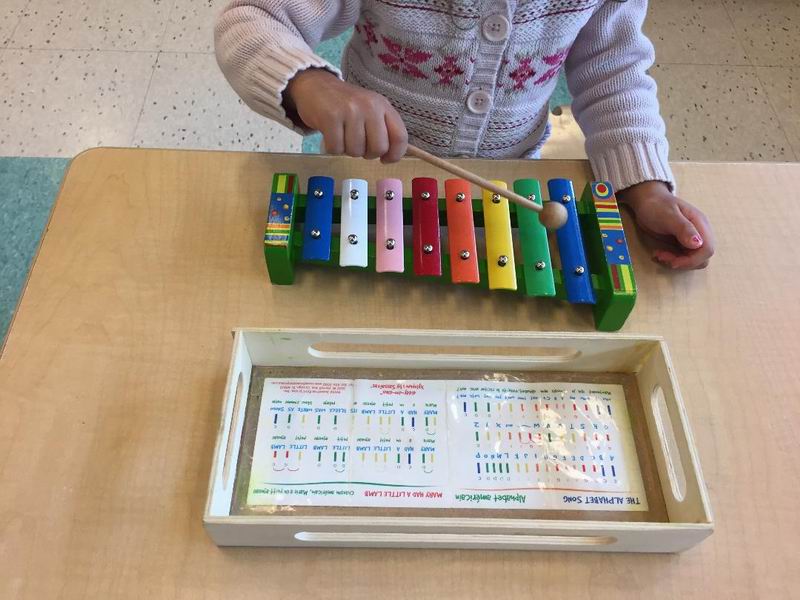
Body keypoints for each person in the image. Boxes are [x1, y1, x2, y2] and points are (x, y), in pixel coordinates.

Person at [215, 0, 714, 269]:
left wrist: (643, 183)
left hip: (507, 189)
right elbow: (251, 17)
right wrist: (310, 81)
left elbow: (612, 68)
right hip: (366, 180)